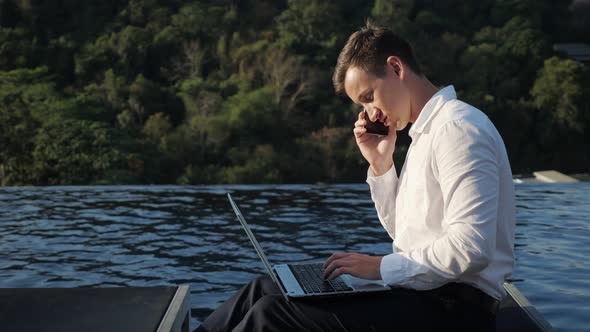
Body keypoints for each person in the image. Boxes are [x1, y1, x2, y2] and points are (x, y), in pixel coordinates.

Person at [195, 21, 515, 332]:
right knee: (265, 289)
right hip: (422, 298)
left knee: (271, 315)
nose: (371, 113)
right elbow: (407, 236)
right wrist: (380, 165)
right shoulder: (425, 135)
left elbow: (471, 248)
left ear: (395, 68)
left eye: (368, 97)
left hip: (454, 313)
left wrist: (378, 268)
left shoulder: (458, 129)